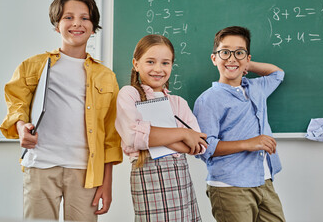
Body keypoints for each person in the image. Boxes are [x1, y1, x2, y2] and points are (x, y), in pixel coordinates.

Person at [0, 0, 122, 222]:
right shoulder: (34, 65)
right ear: (57, 25)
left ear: (94, 26)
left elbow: (110, 137)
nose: (77, 23)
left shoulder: (106, 77)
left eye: (85, 18)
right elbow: (16, 102)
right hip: (40, 166)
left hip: (86, 171)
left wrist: (107, 183)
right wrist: (21, 127)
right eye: (68, 17)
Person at [193, 26, 286, 222]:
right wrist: (249, 143)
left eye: (239, 52)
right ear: (214, 58)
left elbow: (277, 74)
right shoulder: (208, 100)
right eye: (225, 52)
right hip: (230, 185)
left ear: (248, 57)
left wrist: (244, 65)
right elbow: (205, 147)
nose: (231, 58)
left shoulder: (256, 87)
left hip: (264, 180)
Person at [115, 34, 208, 222]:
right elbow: (134, 136)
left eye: (165, 63)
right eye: (150, 61)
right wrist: (182, 133)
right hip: (147, 180)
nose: (158, 69)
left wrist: (153, 135)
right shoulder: (129, 94)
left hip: (181, 180)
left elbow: (199, 145)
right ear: (136, 63)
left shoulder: (178, 102)